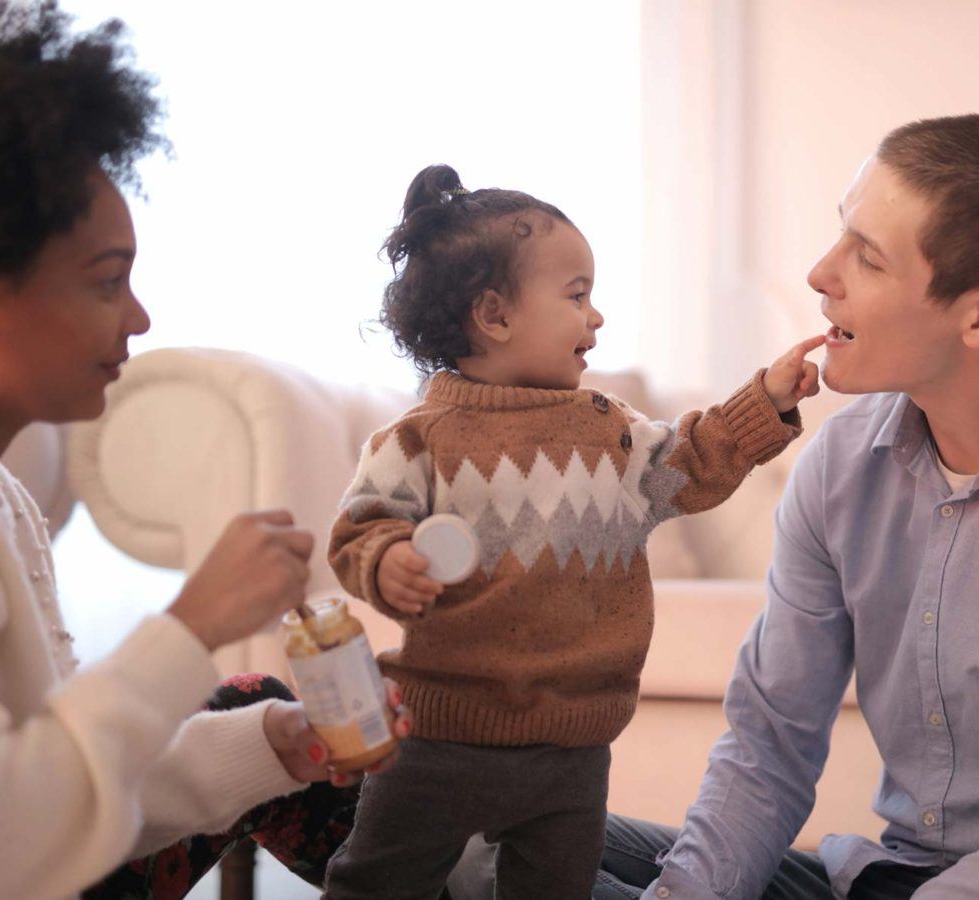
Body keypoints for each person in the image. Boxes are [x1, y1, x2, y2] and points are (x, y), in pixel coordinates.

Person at [455, 114, 979, 899]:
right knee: (484, 852)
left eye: (867, 259)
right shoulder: (841, 466)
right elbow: (770, 746)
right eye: (842, 232)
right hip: (893, 879)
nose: (820, 274)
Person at [0, 4, 410, 898]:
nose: (138, 318)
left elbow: (60, 777)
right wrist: (188, 629)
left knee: (259, 708)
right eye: (108, 282)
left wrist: (271, 747)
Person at [320, 164, 823, 900]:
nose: (597, 317)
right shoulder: (419, 440)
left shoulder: (608, 431)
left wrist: (765, 399)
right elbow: (361, 527)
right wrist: (387, 559)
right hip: (440, 738)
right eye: (578, 296)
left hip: (574, 747)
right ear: (494, 315)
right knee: (376, 883)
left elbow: (694, 461)